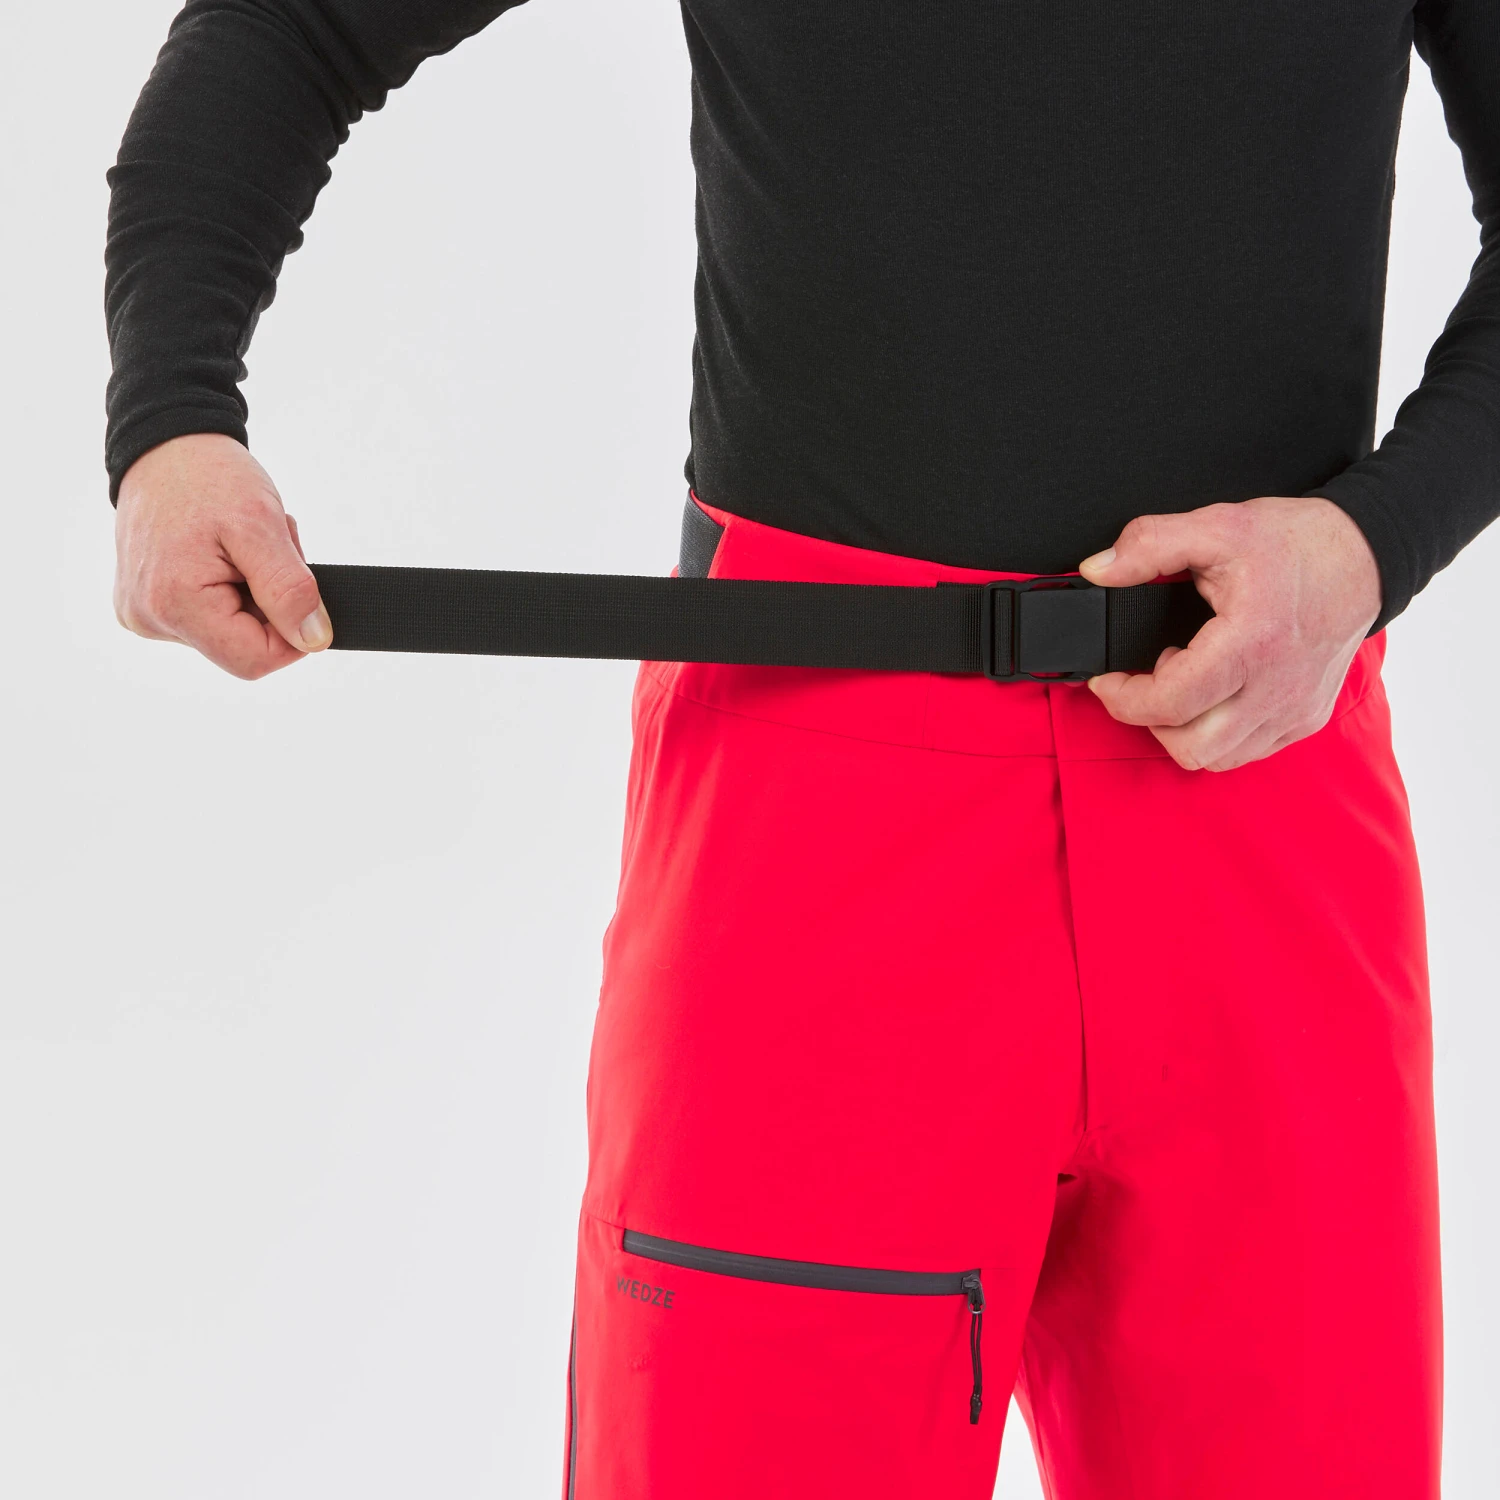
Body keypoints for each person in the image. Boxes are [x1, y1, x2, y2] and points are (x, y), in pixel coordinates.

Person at [104, 4, 1497, 1496]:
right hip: (822, 806)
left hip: (1260, 771)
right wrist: (172, 420)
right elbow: (292, 26)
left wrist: (1373, 544)